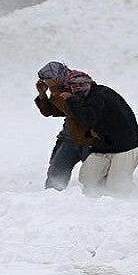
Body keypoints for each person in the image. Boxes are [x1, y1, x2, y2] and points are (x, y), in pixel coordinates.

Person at [63, 70, 138, 196]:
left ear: (89, 83)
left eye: (81, 84)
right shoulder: (88, 97)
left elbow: (88, 118)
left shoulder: (99, 95)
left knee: (118, 187)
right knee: (87, 178)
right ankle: (101, 195)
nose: (77, 88)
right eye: (73, 86)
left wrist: (70, 100)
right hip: (105, 145)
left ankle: (134, 201)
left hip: (127, 147)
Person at [34, 62, 92, 190]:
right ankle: (53, 200)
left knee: (94, 177)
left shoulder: (79, 83)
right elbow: (51, 111)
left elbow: (74, 111)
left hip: (88, 138)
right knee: (56, 172)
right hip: (70, 137)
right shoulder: (61, 88)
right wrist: (43, 95)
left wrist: (54, 91)